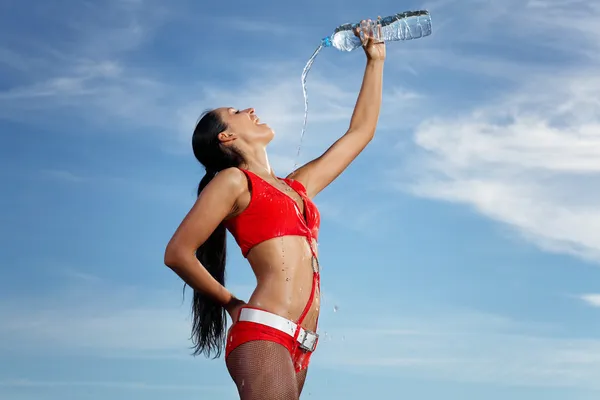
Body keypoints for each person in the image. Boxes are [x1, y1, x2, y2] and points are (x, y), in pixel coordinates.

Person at [164, 21, 386, 400]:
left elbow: (359, 133)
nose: (250, 109)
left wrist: (375, 61)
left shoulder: (296, 187)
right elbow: (177, 253)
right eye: (235, 111)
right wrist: (231, 303)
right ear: (226, 136)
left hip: (301, 344)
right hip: (264, 331)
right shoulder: (234, 181)